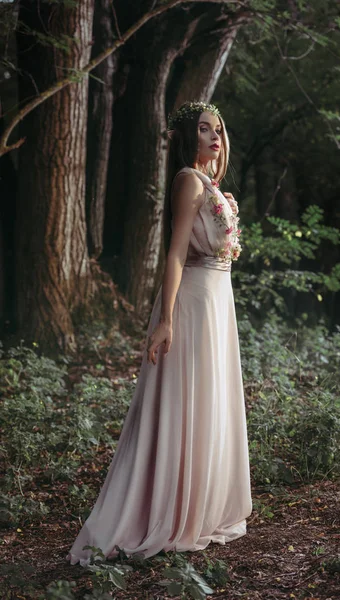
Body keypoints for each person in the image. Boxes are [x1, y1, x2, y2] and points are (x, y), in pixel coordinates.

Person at [66, 101, 252, 566]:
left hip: (216, 303)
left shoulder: (211, 184)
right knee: (185, 402)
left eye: (219, 128)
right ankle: (172, 511)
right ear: (188, 137)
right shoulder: (189, 180)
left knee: (209, 401)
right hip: (191, 303)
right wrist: (166, 319)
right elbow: (173, 254)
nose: (214, 136)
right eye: (204, 129)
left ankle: (200, 507)